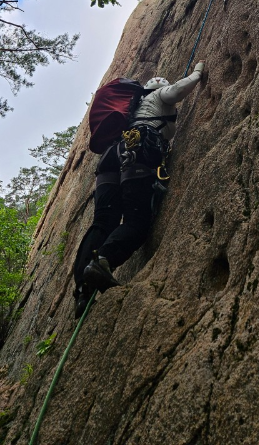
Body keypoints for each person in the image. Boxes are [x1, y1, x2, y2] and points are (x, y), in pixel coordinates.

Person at [73, 62, 205, 316]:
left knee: (102, 222)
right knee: (137, 221)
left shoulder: (132, 110)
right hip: (137, 151)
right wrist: (198, 72)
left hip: (112, 158)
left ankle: (83, 287)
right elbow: (176, 91)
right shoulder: (157, 95)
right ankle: (103, 262)